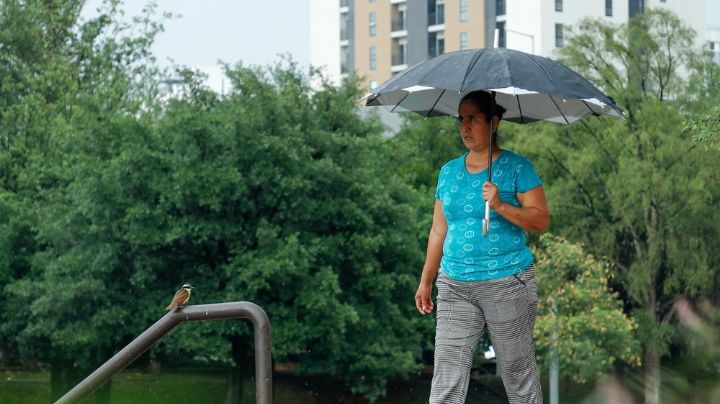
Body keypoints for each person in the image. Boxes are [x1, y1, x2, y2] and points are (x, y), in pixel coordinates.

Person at [415, 90, 550, 404]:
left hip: (507, 283)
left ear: (494, 121)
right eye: (461, 119)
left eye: (473, 119)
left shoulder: (518, 167)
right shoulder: (448, 172)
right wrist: (426, 280)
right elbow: (438, 230)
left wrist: (501, 204)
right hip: (455, 285)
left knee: (517, 373)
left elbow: (541, 220)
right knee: (446, 375)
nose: (465, 126)